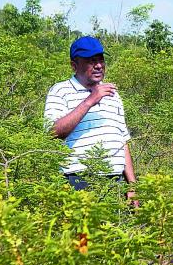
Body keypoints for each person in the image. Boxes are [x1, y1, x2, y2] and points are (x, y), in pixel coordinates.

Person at [44, 36, 138, 204]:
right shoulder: (60, 91)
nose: (99, 65)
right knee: (82, 231)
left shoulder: (113, 95)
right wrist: (90, 101)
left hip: (114, 182)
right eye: (91, 61)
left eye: (101, 60)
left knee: (113, 230)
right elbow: (52, 132)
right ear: (74, 65)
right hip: (78, 179)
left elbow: (122, 141)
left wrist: (132, 186)